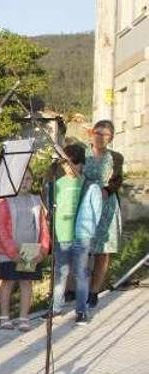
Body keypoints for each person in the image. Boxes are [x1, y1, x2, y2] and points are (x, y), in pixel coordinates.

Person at [49, 144, 103, 325]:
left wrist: (89, 232)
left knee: (81, 274)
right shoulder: (57, 184)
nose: (68, 167)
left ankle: (81, 311)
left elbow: (96, 211)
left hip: (81, 237)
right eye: (65, 164)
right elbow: (51, 209)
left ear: (81, 164)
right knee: (60, 273)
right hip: (62, 235)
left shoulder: (88, 185)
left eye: (73, 163)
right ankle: (56, 309)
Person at [0, 167, 50, 332]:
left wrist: (43, 250)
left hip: (30, 249)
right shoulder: (5, 201)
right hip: (10, 250)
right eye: (21, 179)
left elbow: (43, 227)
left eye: (28, 179)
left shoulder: (36, 200)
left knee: (26, 282)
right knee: (8, 281)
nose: (25, 183)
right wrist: (12, 252)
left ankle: (23, 317)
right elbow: (1, 229)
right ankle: (4, 316)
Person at [84, 119, 124, 308]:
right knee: (82, 248)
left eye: (105, 134)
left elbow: (117, 180)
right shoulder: (81, 153)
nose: (100, 137)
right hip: (85, 204)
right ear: (92, 133)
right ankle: (74, 289)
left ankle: (94, 291)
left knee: (102, 250)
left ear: (111, 138)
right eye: (97, 133)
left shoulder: (115, 157)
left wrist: (106, 191)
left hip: (106, 205)